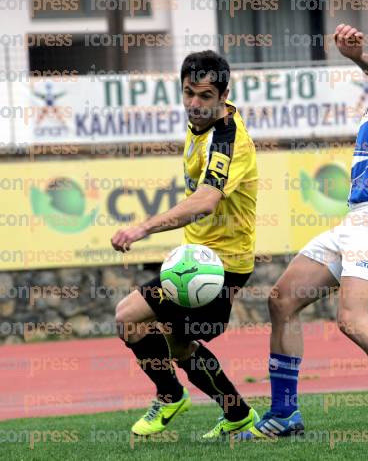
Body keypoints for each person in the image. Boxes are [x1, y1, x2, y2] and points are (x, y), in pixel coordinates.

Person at [238, 4, 368, 439]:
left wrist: (355, 57)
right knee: (281, 300)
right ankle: (283, 415)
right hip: (361, 222)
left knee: (351, 320)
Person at [110, 50, 260, 438]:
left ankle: (170, 394)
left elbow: (206, 199)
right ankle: (237, 413)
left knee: (129, 318)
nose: (194, 104)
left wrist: (144, 229)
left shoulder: (228, 139)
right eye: (189, 93)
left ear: (224, 94)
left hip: (219, 266)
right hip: (197, 257)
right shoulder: (200, 127)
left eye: (205, 96)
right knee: (176, 344)